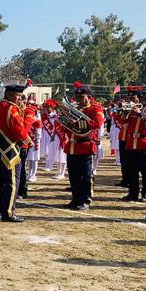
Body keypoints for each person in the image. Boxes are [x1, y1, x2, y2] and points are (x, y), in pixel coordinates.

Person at [0, 84, 33, 221]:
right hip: (9, 151)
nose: (19, 99)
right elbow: (19, 130)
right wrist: (28, 138)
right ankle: (8, 212)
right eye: (17, 96)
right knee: (12, 182)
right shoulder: (11, 109)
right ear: (9, 95)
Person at [60, 82, 104, 210]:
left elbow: (97, 123)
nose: (78, 100)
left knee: (85, 176)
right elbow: (68, 126)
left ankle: (85, 200)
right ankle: (75, 199)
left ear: (89, 97)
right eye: (77, 97)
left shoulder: (95, 109)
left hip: (85, 146)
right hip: (72, 146)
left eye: (81, 97)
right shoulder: (75, 109)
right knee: (73, 176)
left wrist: (78, 124)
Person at [118, 88, 146, 202]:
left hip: (143, 143)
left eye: (135, 98)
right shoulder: (130, 109)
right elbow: (123, 122)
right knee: (132, 171)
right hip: (131, 144)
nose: (133, 100)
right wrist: (124, 112)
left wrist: (140, 113)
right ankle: (132, 193)